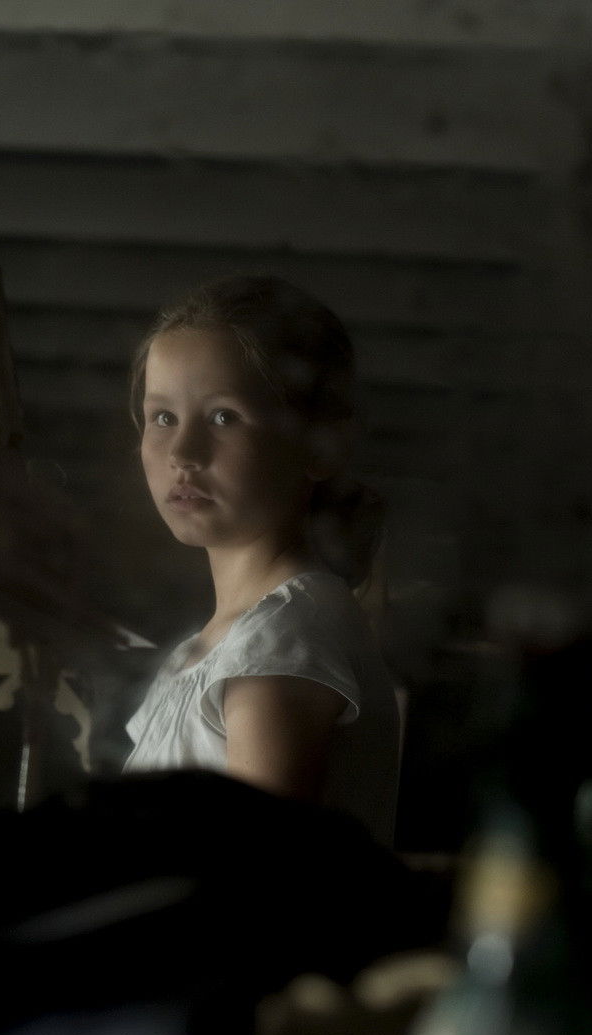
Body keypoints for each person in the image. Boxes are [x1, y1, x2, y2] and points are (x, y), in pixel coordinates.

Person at [120, 275, 400, 845]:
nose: (183, 454)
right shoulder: (236, 640)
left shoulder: (278, 646)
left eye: (223, 416)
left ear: (320, 446)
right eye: (163, 417)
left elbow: (253, 886)